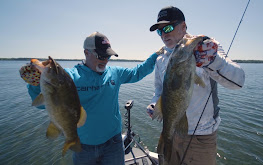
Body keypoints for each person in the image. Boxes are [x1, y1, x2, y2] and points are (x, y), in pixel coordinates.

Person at [22, 31, 160, 165]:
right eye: (101, 55)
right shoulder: (69, 77)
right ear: (86, 52)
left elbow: (138, 72)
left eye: (108, 56)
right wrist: (35, 84)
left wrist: (156, 55)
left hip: (113, 143)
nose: (105, 60)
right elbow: (42, 104)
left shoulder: (115, 73)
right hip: (83, 146)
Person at [146, 6, 245, 165]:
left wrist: (214, 61)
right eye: (160, 31)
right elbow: (160, 90)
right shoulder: (161, 59)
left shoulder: (207, 47)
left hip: (201, 137)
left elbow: (239, 82)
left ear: (183, 27)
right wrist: (154, 103)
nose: (164, 34)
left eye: (169, 27)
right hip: (171, 130)